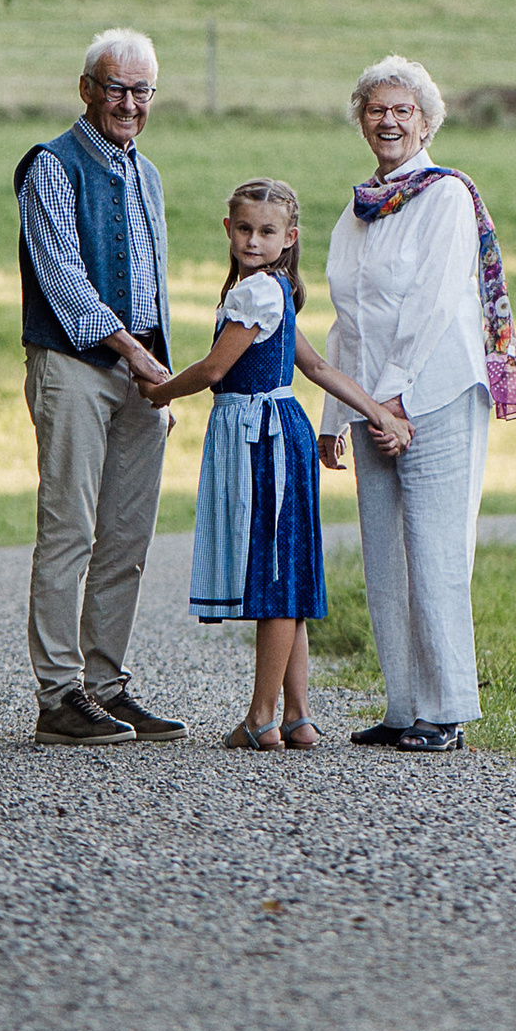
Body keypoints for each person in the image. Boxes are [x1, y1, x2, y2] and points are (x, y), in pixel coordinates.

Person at [145, 179, 413, 751]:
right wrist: (365, 415)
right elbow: (317, 367)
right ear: (228, 230)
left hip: (259, 436)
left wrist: (161, 392)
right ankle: (298, 716)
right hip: (280, 431)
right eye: (244, 229)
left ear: (289, 238)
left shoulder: (258, 294)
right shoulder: (272, 292)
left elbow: (217, 370)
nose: (252, 240)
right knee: (284, 573)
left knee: (273, 577)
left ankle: (262, 716)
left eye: (267, 232)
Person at [317, 53, 516, 754]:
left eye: (402, 109)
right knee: (384, 555)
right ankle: (404, 706)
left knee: (435, 552)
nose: (388, 121)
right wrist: (340, 415)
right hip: (374, 402)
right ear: (360, 120)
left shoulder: (445, 197)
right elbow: (344, 320)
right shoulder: (355, 213)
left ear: (427, 121)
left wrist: (396, 400)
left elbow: (436, 303)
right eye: (376, 109)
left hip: (432, 395)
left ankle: (447, 711)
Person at [14, 28, 190, 746]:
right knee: (69, 530)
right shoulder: (50, 166)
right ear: (85, 88)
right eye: (115, 87)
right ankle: (58, 696)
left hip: (142, 378)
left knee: (127, 537)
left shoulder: (146, 173)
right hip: (77, 367)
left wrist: (162, 371)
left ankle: (108, 686)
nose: (128, 102)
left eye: (141, 90)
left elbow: (154, 285)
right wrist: (132, 353)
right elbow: (63, 281)